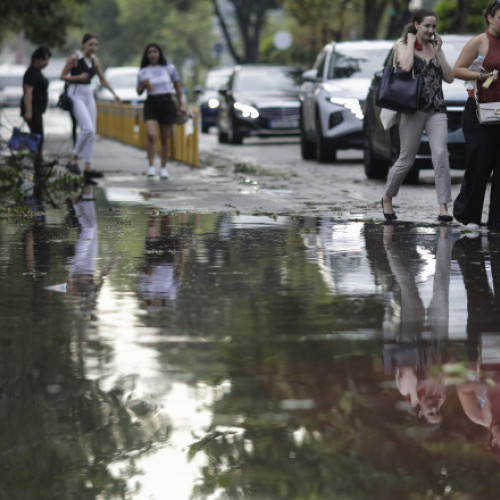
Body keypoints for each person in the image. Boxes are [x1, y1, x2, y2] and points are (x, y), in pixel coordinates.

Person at [381, 9, 454, 223]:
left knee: (441, 156)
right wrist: (411, 42)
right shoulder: (401, 46)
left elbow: (449, 78)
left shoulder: (435, 46)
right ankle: (387, 197)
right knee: (406, 159)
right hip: (412, 110)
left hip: (437, 109)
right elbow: (405, 67)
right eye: (427, 26)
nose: (431, 31)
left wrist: (439, 51)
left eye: (434, 26)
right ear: (416, 25)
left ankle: (443, 207)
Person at [452, 1, 500, 232]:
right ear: (490, 18)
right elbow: (457, 69)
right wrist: (480, 76)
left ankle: (497, 224)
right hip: (480, 112)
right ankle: (468, 217)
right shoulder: (479, 42)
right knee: (479, 164)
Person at [60, 33, 121, 185]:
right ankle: (73, 160)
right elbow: (62, 76)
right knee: (87, 129)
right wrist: (77, 78)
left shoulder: (94, 60)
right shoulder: (75, 58)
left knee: (92, 132)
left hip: (89, 95)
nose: (93, 47)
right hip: (76, 94)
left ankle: (88, 168)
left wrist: (114, 94)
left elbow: (102, 79)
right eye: (90, 44)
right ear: (84, 45)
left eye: (95, 45)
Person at [136, 43, 186, 180]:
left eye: (155, 51)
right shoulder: (143, 71)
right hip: (151, 103)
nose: (152, 54)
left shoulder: (168, 68)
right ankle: (151, 166)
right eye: (149, 52)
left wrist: (181, 104)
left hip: (166, 102)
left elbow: (178, 87)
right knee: (151, 135)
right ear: (146, 55)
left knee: (165, 137)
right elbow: (139, 92)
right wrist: (143, 85)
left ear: (159, 53)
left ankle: (163, 168)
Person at [21, 46, 51, 155]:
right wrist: (28, 111)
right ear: (37, 59)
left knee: (38, 137)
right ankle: (36, 163)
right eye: (44, 59)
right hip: (33, 111)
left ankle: (37, 162)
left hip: (38, 110)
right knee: (38, 137)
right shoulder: (31, 73)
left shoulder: (38, 72)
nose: (46, 63)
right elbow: (28, 92)